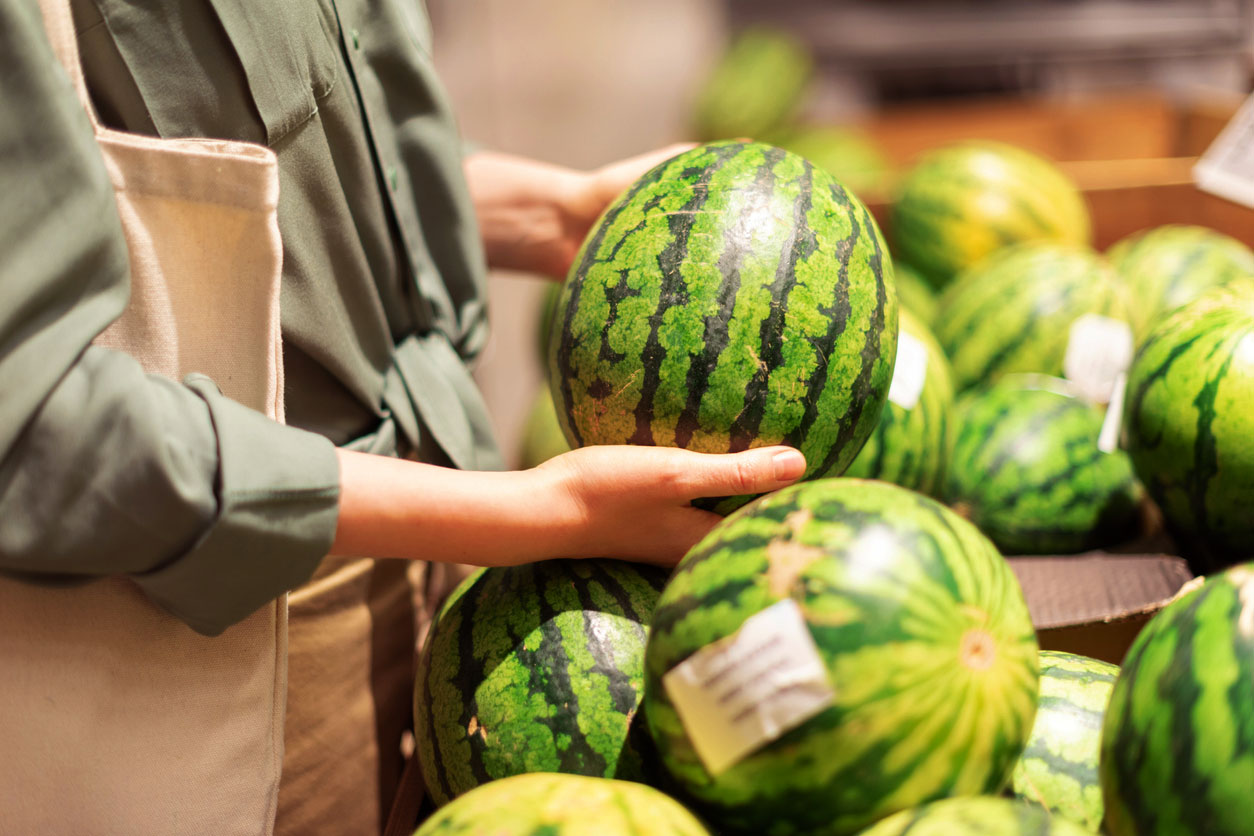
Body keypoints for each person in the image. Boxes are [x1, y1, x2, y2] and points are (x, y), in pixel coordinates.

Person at [0, 0, 807, 833]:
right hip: (214, 645)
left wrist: (558, 213)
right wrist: (530, 513)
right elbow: (29, 424)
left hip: (428, 558)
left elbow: (325, 155)